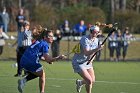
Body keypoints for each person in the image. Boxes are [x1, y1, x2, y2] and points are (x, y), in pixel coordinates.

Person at [17, 26, 66, 93]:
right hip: (30, 61)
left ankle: (23, 81)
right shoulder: (45, 44)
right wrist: (58, 57)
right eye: (50, 36)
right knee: (42, 74)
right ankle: (41, 91)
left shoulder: (39, 41)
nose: (52, 38)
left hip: (23, 60)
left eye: (52, 36)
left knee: (39, 72)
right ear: (45, 37)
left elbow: (39, 55)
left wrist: (46, 59)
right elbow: (48, 59)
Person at [72, 25, 104, 93]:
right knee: (89, 80)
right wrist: (98, 48)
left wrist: (91, 60)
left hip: (87, 62)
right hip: (78, 62)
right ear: (90, 31)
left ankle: (80, 83)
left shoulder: (97, 40)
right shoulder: (85, 39)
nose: (94, 34)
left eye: (96, 32)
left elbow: (94, 53)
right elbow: (86, 53)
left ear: (98, 33)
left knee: (92, 80)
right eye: (93, 32)